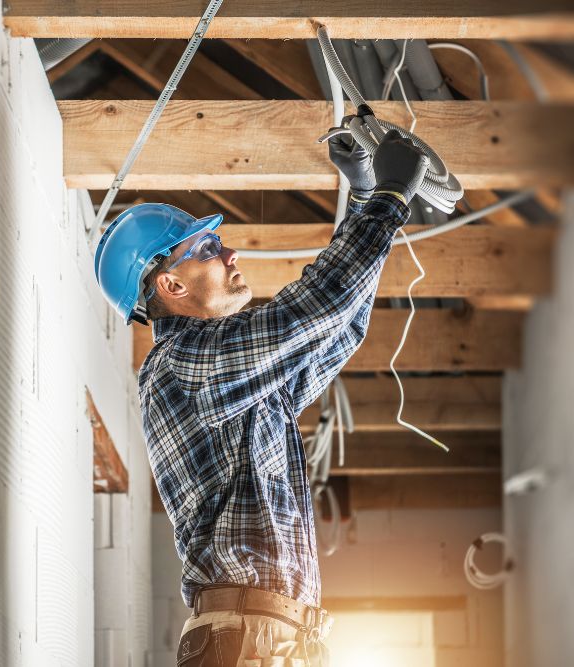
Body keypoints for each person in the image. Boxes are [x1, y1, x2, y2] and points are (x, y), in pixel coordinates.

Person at [94, 127, 430, 666]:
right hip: (248, 641)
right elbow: (315, 310)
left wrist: (368, 200)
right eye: (205, 248)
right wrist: (387, 201)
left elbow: (339, 327)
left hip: (270, 638)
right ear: (171, 286)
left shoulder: (238, 381)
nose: (228, 251)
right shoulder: (182, 367)